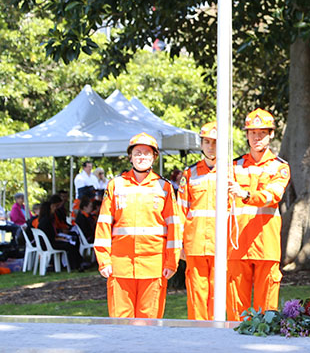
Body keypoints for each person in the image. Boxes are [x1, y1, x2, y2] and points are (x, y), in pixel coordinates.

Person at [95, 133, 180, 318]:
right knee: (120, 323)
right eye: (138, 153)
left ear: (154, 157)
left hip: (153, 266)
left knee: (149, 323)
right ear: (130, 157)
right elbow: (103, 224)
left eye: (147, 153)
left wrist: (171, 262)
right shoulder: (115, 185)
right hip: (120, 266)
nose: (142, 157)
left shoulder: (164, 188)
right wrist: (104, 261)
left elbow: (174, 227)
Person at [227, 109, 292, 321]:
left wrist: (245, 194)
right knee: (237, 313)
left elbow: (272, 195)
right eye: (253, 132)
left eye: (262, 132)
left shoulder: (280, 167)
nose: (257, 137)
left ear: (271, 134)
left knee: (267, 313)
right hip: (238, 246)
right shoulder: (233, 166)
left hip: (266, 244)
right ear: (246, 134)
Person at [178, 121, 227, 320]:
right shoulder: (189, 174)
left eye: (214, 142)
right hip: (195, 245)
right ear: (201, 144)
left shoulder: (230, 172)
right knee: (197, 295)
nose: (210, 146)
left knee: (218, 295)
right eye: (207, 142)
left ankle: (217, 340)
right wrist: (179, 245)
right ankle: (197, 339)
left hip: (221, 245)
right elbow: (180, 210)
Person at [33, 195, 84, 271]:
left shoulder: (44, 219)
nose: (55, 209)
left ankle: (75, 263)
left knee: (70, 242)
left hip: (47, 242)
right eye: (53, 207)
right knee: (70, 245)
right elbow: (51, 236)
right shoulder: (46, 221)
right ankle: (75, 265)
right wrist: (61, 238)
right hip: (48, 244)